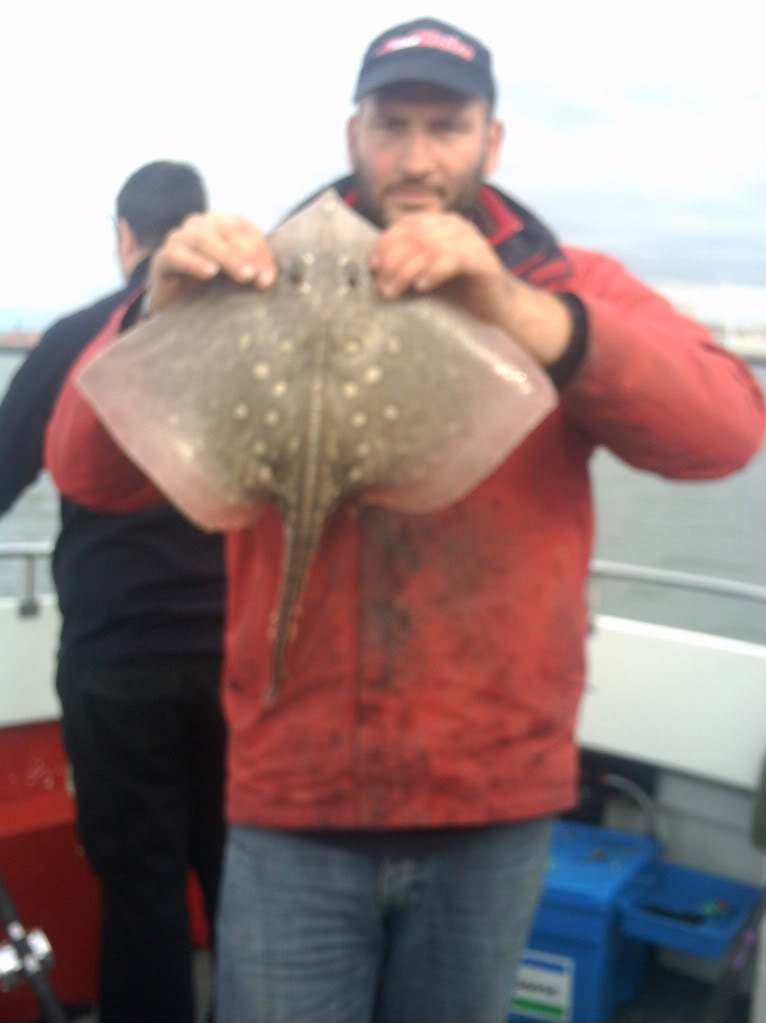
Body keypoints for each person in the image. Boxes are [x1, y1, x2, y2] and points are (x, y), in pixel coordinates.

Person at [44, 19, 765, 1023]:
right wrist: (158, 319)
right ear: (353, 135)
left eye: (446, 125)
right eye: (392, 126)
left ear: (491, 141)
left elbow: (725, 430)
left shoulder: (564, 281)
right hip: (292, 803)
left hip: (494, 801)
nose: (417, 157)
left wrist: (517, 311)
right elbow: (83, 471)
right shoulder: (255, 278)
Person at [0, 161, 227, 1023]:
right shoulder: (242, 341)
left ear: (124, 236)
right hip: (237, 663)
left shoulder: (79, 339)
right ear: (197, 228)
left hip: (118, 658)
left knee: (140, 886)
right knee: (243, 877)